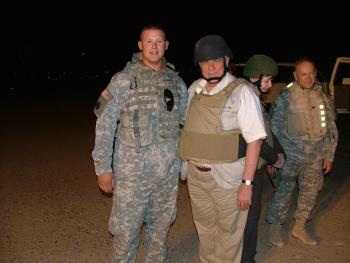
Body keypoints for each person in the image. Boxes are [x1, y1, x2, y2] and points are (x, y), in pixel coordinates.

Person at [91, 24, 188, 262]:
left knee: (161, 228)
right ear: (140, 46)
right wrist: (103, 168)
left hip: (167, 173)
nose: (154, 47)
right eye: (149, 42)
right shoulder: (123, 80)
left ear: (166, 46)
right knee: (126, 230)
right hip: (132, 174)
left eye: (159, 42)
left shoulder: (176, 82)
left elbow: (187, 126)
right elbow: (104, 125)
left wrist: (186, 163)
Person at [179, 35, 266, 263]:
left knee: (229, 236)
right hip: (197, 177)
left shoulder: (242, 92)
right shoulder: (195, 89)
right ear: (199, 64)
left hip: (227, 179)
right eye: (205, 61)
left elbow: (255, 141)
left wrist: (247, 184)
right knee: (205, 230)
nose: (211, 66)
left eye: (216, 60)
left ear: (226, 60)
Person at [266, 57, 338, 247]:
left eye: (311, 73)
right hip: (290, 156)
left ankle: (299, 227)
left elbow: (331, 128)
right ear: (295, 75)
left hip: (315, 156)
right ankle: (275, 226)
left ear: (315, 73)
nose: (308, 77)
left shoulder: (324, 96)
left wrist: (329, 155)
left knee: (310, 192)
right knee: (283, 191)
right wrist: (274, 158)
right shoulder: (285, 96)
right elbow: (273, 129)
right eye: (303, 74)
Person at [240, 54, 285, 263]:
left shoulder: (255, 96)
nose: (270, 83)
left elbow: (266, 130)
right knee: (249, 217)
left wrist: (277, 153)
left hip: (257, 164)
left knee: (249, 215)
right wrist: (274, 158)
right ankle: (246, 258)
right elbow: (254, 138)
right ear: (255, 78)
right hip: (246, 168)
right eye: (267, 79)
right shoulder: (247, 97)